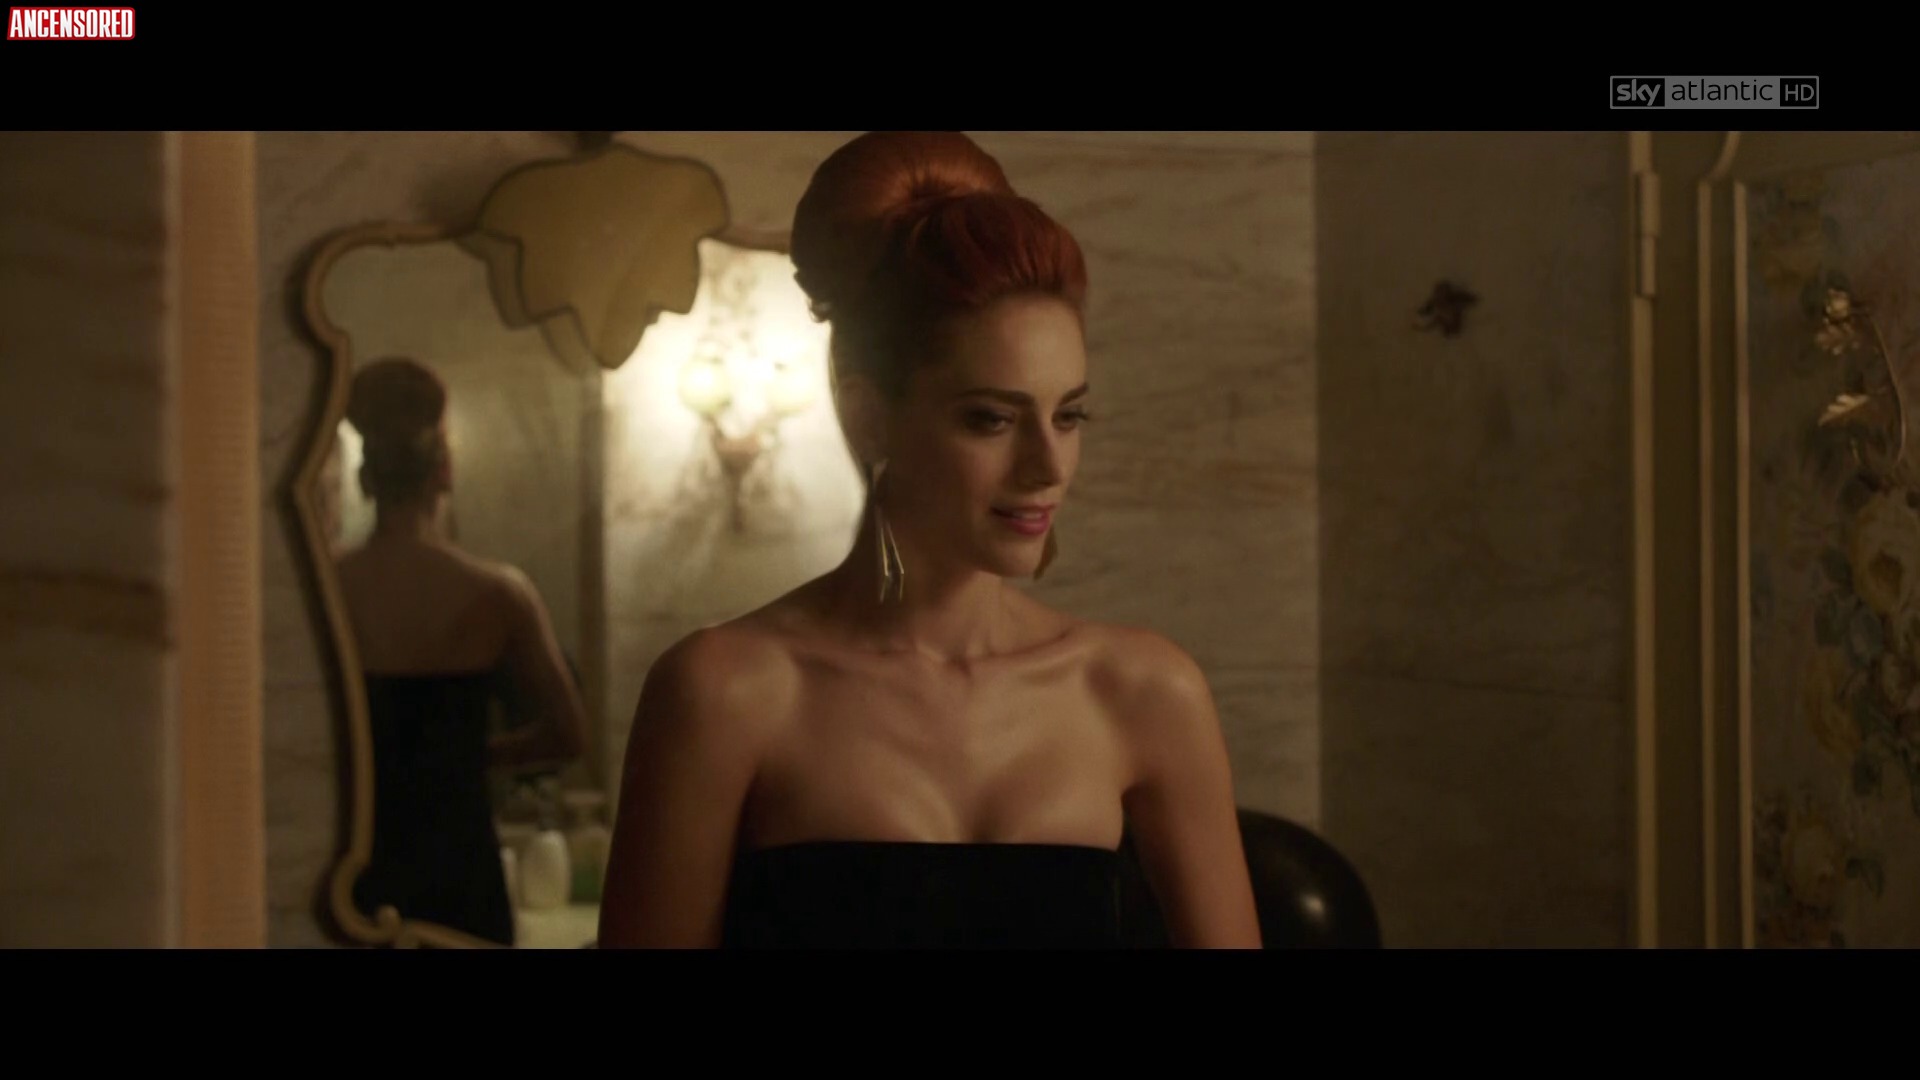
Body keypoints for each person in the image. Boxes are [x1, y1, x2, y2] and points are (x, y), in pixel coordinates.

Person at [598, 132, 1261, 949]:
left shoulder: (1143, 692)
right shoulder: (725, 693)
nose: (1048, 466)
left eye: (1069, 415)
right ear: (868, 416)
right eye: (991, 419)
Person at [335, 357, 588, 947]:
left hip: (352, 867)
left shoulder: (328, 586)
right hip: (460, 864)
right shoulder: (498, 594)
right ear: (443, 470)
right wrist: (468, 757)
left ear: (367, 477)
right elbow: (567, 735)